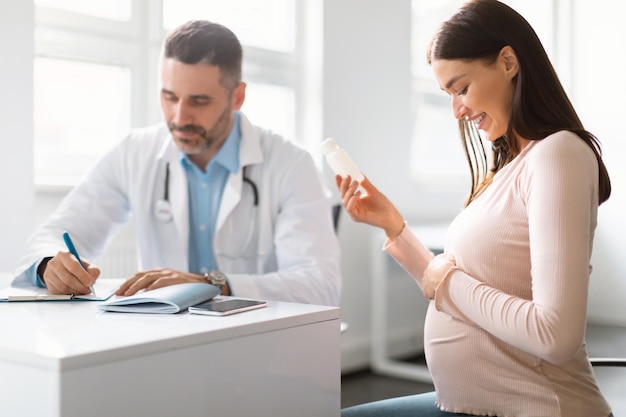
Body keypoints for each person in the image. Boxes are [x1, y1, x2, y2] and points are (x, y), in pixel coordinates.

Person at [339, 0, 612, 416]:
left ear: (507, 62)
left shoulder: (558, 153)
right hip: (468, 406)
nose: (458, 111)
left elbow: (555, 336)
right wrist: (393, 226)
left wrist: (447, 279)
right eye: (448, 94)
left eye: (461, 88)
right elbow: (444, 283)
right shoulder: (510, 166)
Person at [14, 20, 341, 307]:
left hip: (260, 343)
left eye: (199, 101)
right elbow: (55, 234)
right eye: (169, 96)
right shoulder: (134, 152)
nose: (179, 117)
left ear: (237, 97)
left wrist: (212, 283)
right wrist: (49, 265)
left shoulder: (290, 164)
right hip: (166, 338)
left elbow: (320, 284)